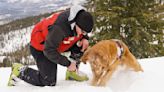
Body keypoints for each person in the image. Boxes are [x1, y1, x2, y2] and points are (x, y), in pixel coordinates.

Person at [8, 5, 94, 86]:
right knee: (49, 81)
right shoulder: (59, 28)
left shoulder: (78, 19)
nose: (83, 34)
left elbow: (81, 32)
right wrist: (68, 63)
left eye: (85, 32)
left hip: (58, 43)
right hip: (41, 47)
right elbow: (49, 50)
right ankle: (20, 71)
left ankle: (72, 72)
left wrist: (85, 38)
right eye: (82, 31)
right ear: (75, 23)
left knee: (81, 46)